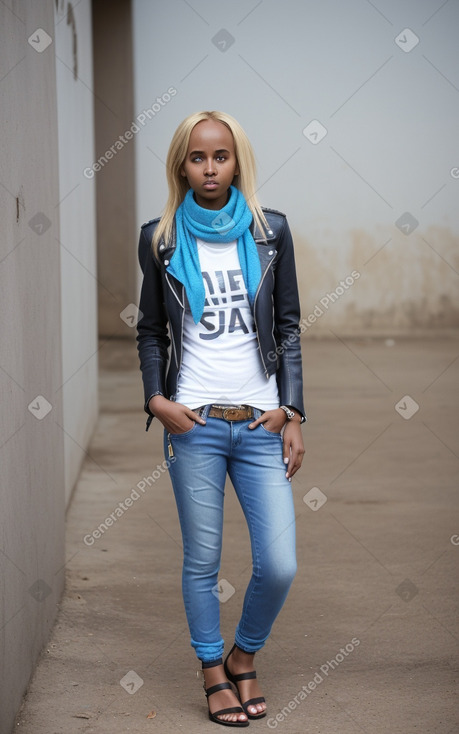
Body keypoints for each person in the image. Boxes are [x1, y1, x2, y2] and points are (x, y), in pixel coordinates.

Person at [136, 110, 305, 727]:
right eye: (198, 157)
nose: (211, 168)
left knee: (279, 563)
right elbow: (151, 331)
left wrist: (292, 413)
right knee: (202, 560)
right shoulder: (160, 238)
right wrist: (157, 401)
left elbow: (287, 327)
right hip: (195, 424)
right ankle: (213, 670)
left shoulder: (271, 231)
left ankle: (244, 654)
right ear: (182, 164)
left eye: (222, 156)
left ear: (238, 162)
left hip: (260, 422)